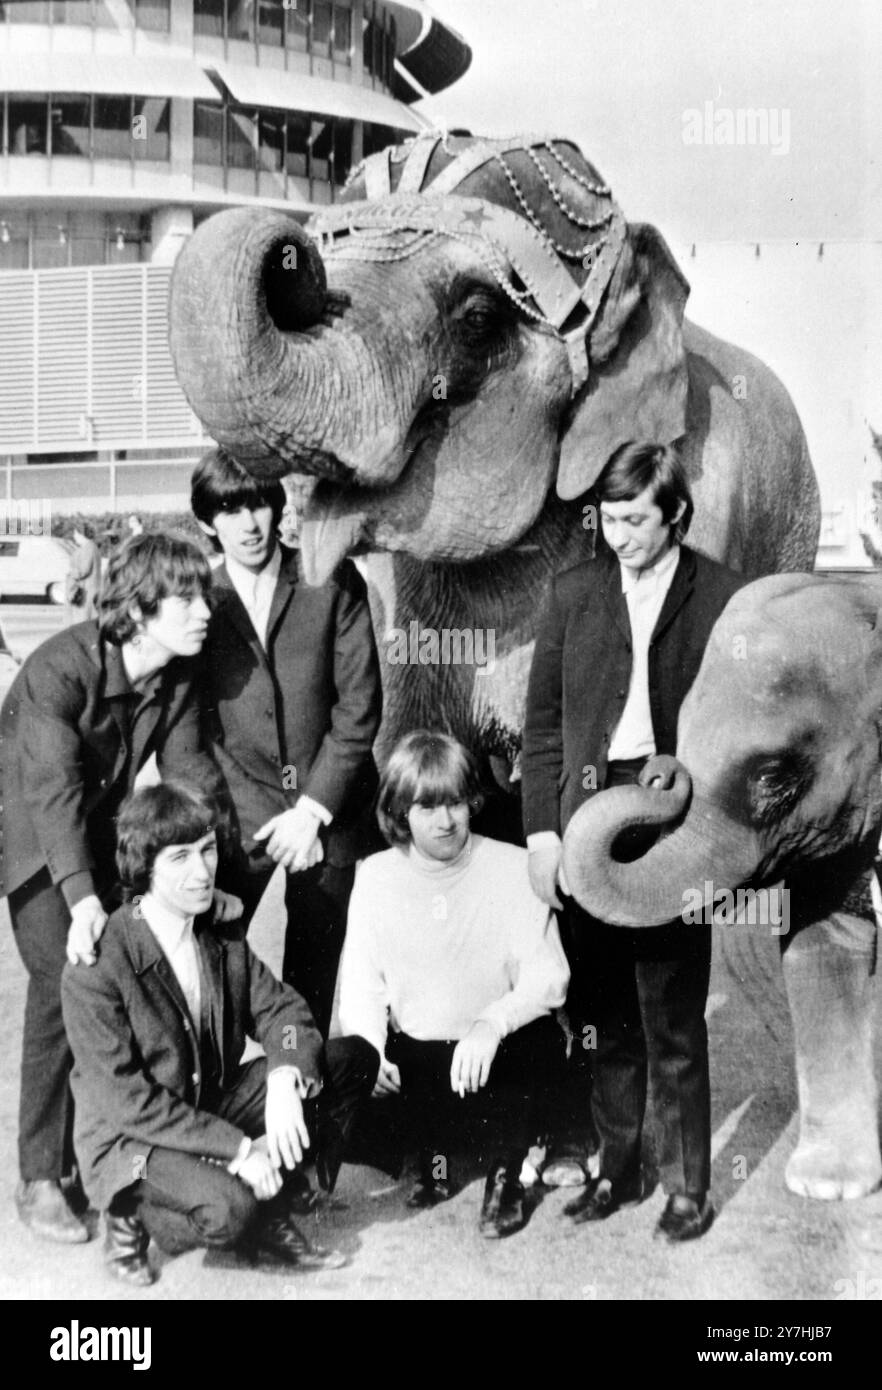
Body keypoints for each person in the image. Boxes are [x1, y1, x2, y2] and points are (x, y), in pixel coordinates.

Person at [521, 442, 747, 1242]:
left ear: (675, 515)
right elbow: (543, 725)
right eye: (608, 519)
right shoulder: (572, 593)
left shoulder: (722, 596)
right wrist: (544, 837)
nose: (617, 535)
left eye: (634, 520)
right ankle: (619, 1169)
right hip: (585, 820)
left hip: (674, 823)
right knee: (607, 1009)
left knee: (674, 1011)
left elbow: (737, 728)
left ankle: (688, 1187)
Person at [1, 531, 228, 1245]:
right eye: (186, 598)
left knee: (115, 974)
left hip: (93, 826)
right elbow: (53, 793)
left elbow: (191, 777)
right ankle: (40, 1177)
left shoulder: (179, 675)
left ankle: (99, 1152)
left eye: (203, 596)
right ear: (138, 607)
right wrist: (82, 898)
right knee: (60, 973)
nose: (202, 612)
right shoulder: (57, 669)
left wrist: (214, 868)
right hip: (28, 827)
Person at [61, 783, 377, 1286]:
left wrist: (283, 1074)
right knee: (229, 1211)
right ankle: (130, 1210)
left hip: (206, 1102)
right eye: (180, 858)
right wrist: (241, 1150)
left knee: (349, 1060)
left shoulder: (219, 930)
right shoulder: (97, 964)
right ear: (144, 869)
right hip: (133, 1144)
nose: (203, 871)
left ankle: (267, 1193)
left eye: (207, 851)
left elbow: (286, 1015)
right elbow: (129, 1103)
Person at [338, 730, 569, 1238]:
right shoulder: (375, 876)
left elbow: (550, 977)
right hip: (425, 1060)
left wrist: (493, 1022)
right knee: (350, 1064)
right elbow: (360, 981)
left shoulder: (511, 867)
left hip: (496, 1054)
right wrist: (371, 1049)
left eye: (456, 804)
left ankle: (509, 1176)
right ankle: (435, 1161)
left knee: (539, 1038)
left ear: (472, 802)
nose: (446, 821)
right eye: (427, 807)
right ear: (400, 814)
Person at [191, 447, 382, 1037]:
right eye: (230, 510)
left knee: (322, 971)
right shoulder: (199, 598)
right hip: (238, 815)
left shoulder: (331, 576)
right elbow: (188, 726)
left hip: (332, 810)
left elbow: (359, 708)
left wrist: (313, 809)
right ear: (206, 524)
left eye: (260, 505)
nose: (250, 524)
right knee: (209, 965)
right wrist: (242, 815)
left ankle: (317, 1102)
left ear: (279, 509)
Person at [67, 524, 100, 618]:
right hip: (87, 589)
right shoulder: (90, 547)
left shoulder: (89, 548)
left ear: (81, 534)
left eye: (75, 534)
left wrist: (71, 573)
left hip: (85, 591)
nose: (74, 537)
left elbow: (83, 570)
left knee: (84, 618)